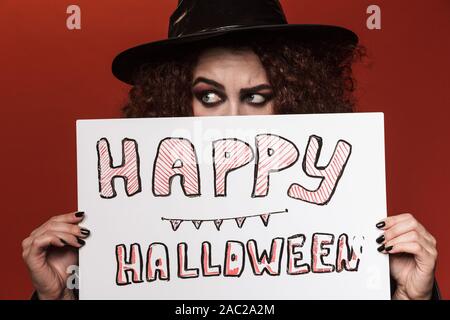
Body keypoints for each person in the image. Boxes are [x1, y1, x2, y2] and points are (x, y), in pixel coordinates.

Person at [22, 0, 439, 300]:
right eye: (208, 97)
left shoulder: (350, 238)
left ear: (292, 101)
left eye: (256, 97)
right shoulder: (114, 237)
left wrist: (409, 297)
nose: (232, 118)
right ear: (173, 103)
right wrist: (60, 296)